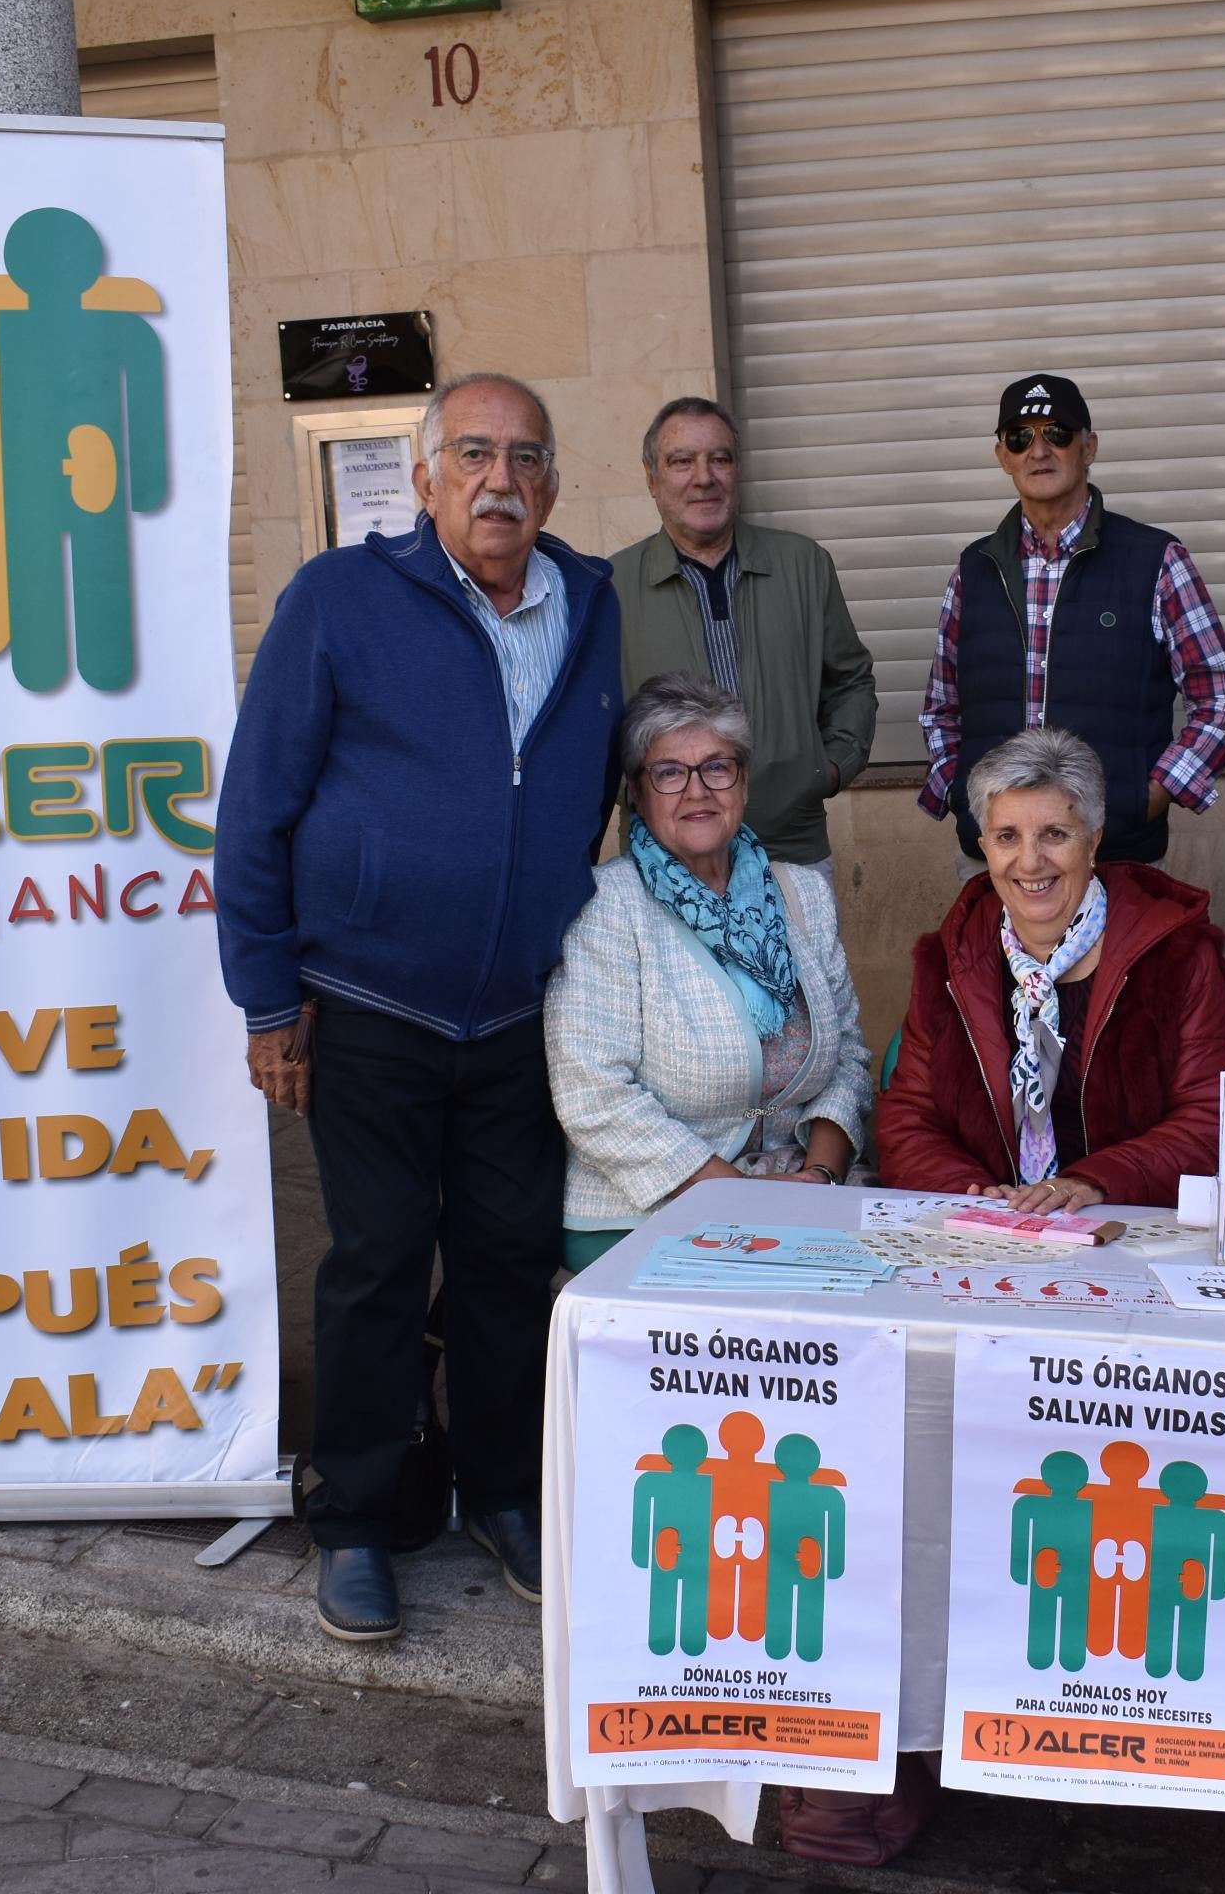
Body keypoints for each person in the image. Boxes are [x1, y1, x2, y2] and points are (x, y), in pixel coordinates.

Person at [214, 370, 622, 1638]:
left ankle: (502, 1491)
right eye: (476, 455)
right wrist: (267, 997)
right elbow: (256, 807)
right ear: (429, 475)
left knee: (508, 1265)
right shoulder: (339, 598)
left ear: (552, 482)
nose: (502, 480)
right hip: (369, 1003)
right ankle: (358, 1515)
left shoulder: (596, 601)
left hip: (518, 1010)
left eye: (526, 459)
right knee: (379, 1263)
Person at [546, 673, 872, 1267]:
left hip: (802, 1194)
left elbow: (848, 1055)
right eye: (669, 772)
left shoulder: (801, 894)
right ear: (638, 796)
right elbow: (592, 1093)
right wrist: (739, 1197)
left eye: (718, 767)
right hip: (645, 1212)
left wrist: (821, 1177)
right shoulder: (607, 905)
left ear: (743, 784)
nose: (697, 790)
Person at [879, 728, 1225, 1209]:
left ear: (1093, 842)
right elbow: (908, 1119)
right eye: (1008, 836)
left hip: (1125, 1226)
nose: (1030, 862)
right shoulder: (952, 957)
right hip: (988, 1231)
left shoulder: (1177, 954)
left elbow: (1214, 1119)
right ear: (984, 846)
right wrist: (976, 1196)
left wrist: (1094, 1183)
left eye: (1055, 834)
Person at [916, 373, 1225, 870]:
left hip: (1114, 858)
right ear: (1003, 456)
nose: (1038, 450)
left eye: (1058, 433)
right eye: (1020, 437)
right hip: (999, 863)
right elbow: (942, 709)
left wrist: (1147, 798)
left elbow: (1223, 698)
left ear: (1088, 447)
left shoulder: (1155, 560)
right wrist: (962, 796)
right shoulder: (974, 569)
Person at [609, 399, 877, 869]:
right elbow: (589, 720)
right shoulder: (610, 586)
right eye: (681, 461)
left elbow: (851, 679)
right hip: (667, 861)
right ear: (652, 478)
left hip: (792, 850)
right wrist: (631, 792)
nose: (704, 476)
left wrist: (829, 769)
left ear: (737, 470)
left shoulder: (804, 565)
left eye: (720, 458)